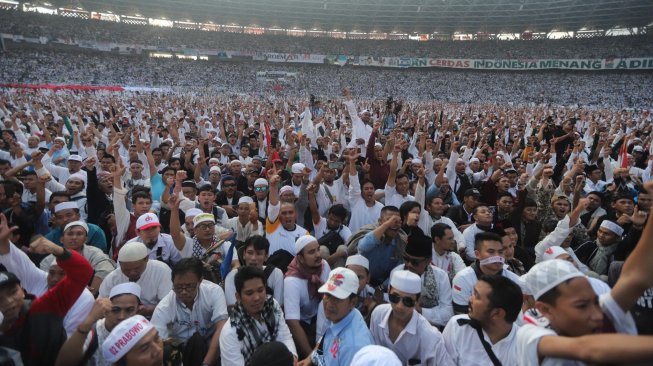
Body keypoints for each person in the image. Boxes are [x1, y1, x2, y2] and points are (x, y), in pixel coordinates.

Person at [0, 235, 93, 365]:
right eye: (52, 272)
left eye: (12, 293)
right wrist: (3, 242)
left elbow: (82, 271)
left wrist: (58, 250)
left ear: (22, 290)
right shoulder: (40, 280)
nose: (8, 301)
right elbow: (16, 260)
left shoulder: (45, 307)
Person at [151, 257, 227, 366]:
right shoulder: (164, 306)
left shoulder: (213, 292)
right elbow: (156, 343)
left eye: (189, 286)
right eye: (178, 287)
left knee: (204, 340)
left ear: (200, 280)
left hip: (209, 347)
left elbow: (222, 327)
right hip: (180, 353)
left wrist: (206, 364)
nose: (183, 292)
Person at [370, 270, 453, 366]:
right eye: (394, 297)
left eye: (407, 301)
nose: (399, 306)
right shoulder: (378, 315)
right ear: (388, 292)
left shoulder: (429, 336)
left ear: (418, 302)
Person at [219, 266, 297, 365]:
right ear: (238, 297)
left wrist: (292, 359)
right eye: (249, 293)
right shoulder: (231, 332)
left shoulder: (272, 305)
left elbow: (284, 337)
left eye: (260, 290)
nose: (257, 298)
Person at [54, 282, 142, 366]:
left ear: (138, 310)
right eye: (116, 310)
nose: (122, 316)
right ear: (106, 311)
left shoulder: (144, 331)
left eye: (129, 310)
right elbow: (63, 363)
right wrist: (87, 323)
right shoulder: (93, 332)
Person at [443, 275, 522, 366]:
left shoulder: (524, 346)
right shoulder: (457, 327)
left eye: (477, 296)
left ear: (497, 313)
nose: (470, 299)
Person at [303, 267, 374, 366]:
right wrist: (310, 358)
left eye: (337, 298)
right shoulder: (344, 315)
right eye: (327, 295)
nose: (329, 304)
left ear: (352, 302)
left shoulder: (353, 347)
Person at [452, 232, 524, 314]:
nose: (497, 257)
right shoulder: (463, 279)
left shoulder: (514, 280)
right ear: (477, 254)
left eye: (500, 252)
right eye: (491, 252)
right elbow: (461, 315)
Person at [391, 234, 453, 328]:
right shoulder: (396, 272)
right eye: (406, 259)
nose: (409, 264)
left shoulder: (440, 276)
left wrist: (421, 311)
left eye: (415, 262)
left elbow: (448, 313)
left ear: (428, 261)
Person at [284, 235, 331, 359]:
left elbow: (331, 299)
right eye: (311, 252)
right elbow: (293, 322)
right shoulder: (292, 281)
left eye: (318, 249)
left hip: (323, 318)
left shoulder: (324, 266)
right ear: (301, 258)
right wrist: (311, 357)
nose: (318, 255)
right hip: (302, 325)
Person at [39, 220, 115, 296]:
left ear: (86, 239)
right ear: (62, 239)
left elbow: (106, 270)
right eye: (70, 234)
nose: (74, 237)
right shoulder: (48, 260)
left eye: (79, 234)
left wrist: (90, 294)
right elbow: (45, 282)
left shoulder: (94, 252)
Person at [98, 241, 172, 317]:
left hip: (156, 318)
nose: (132, 273)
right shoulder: (113, 277)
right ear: (120, 264)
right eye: (126, 270)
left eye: (137, 268)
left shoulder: (161, 271)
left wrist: (150, 310)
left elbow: (170, 305)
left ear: (146, 259)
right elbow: (101, 305)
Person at [350, 206, 406, 287]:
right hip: (358, 280)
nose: (394, 224)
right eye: (390, 220)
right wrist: (386, 225)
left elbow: (397, 271)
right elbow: (362, 247)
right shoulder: (370, 232)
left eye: (398, 221)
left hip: (382, 286)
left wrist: (382, 287)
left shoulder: (400, 242)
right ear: (380, 221)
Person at [224, 235, 285, 309]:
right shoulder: (232, 276)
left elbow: (278, 307)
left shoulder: (276, 274)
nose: (253, 258)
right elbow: (233, 308)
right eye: (250, 253)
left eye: (258, 254)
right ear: (244, 254)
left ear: (266, 257)